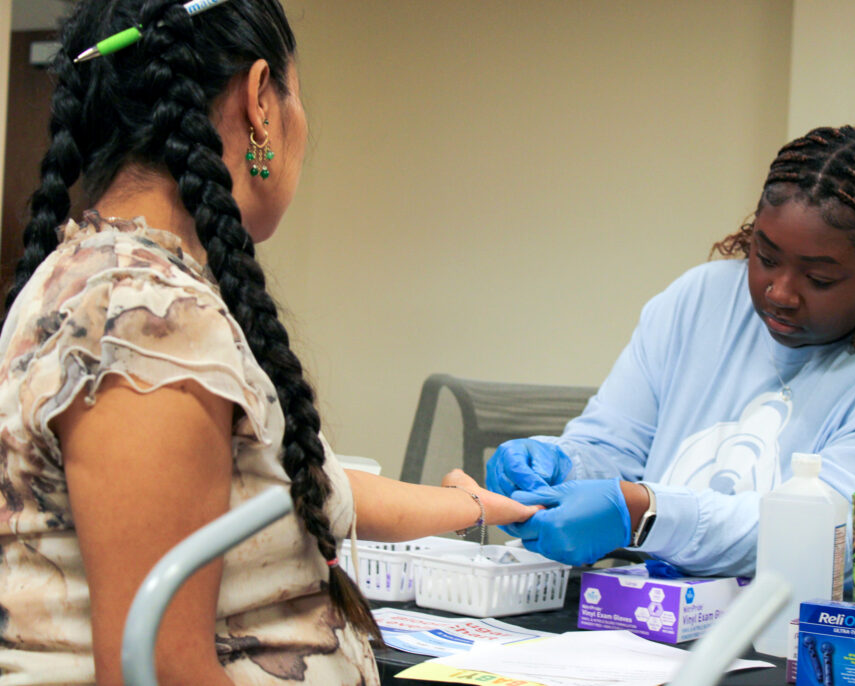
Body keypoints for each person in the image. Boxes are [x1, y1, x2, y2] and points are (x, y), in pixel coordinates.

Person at [0, 2, 539, 684]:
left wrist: (484, 508)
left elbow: (305, 488)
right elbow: (161, 670)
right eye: (294, 92)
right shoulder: (143, 320)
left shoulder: (122, 287)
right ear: (260, 101)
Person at [487, 125, 855, 574]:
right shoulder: (701, 299)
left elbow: (835, 532)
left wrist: (644, 512)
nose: (780, 292)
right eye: (766, 257)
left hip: (806, 645)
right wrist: (561, 464)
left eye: (819, 278)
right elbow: (614, 449)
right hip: (647, 623)